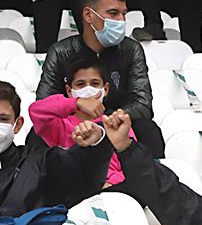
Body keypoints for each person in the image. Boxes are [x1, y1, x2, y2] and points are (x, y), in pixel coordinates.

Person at [0, 81, 116, 225]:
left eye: (2, 118)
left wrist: (94, 145)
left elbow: (81, 175)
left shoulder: (39, 161)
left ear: (17, 124)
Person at [35, 0, 163, 157]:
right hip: (70, 128)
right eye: (113, 13)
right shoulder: (60, 51)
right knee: (36, 137)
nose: (121, 20)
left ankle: (150, 183)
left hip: (119, 127)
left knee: (148, 130)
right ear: (89, 15)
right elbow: (44, 103)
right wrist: (77, 106)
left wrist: (104, 120)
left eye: (123, 14)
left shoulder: (131, 49)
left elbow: (143, 105)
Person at [28, 56, 135, 187]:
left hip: (114, 190)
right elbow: (36, 110)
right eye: (80, 84)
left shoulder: (117, 123)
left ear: (105, 89)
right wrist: (76, 103)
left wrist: (111, 182)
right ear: (69, 90)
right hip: (74, 191)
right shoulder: (61, 126)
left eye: (95, 84)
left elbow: (131, 162)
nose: (88, 90)